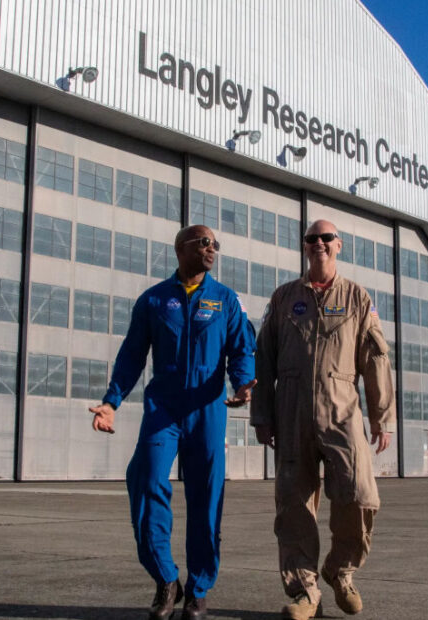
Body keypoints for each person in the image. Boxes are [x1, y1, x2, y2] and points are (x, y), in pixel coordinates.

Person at [89, 225, 257, 620]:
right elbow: (132, 355)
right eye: (204, 242)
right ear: (181, 249)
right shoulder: (153, 300)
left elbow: (241, 348)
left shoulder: (226, 299)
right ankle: (166, 578)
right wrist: (111, 401)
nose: (212, 249)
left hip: (208, 408)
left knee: (206, 498)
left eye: (216, 244)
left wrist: (244, 383)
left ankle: (198, 589)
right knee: (146, 479)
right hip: (163, 409)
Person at [250, 219, 395, 619]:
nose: (319, 243)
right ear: (304, 246)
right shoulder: (284, 298)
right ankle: (304, 592)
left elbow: (376, 360)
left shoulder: (357, 298)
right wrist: (262, 413)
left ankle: (339, 570)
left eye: (326, 238)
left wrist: (382, 417)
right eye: (312, 238)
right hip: (291, 413)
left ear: (339, 245)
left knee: (360, 495)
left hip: (342, 412)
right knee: (294, 504)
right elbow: (264, 357)